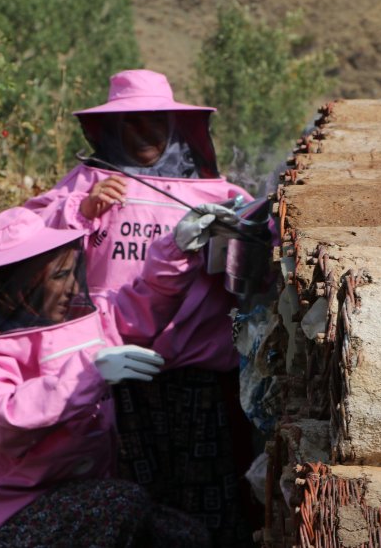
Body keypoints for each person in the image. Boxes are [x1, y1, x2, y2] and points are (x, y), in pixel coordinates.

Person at [24, 69, 258, 547]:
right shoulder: (82, 186)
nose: (145, 133)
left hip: (200, 383)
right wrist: (80, 212)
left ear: (174, 125)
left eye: (155, 121)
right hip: (110, 378)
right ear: (110, 129)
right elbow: (15, 245)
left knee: (206, 511)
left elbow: (261, 254)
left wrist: (244, 232)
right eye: (132, 123)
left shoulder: (217, 193)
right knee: (127, 509)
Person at [0, 204, 236, 547]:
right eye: (59, 277)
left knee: (184, 536)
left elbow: (133, 312)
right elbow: (0, 419)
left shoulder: (75, 318)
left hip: (75, 495)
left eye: (71, 272)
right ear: (20, 286)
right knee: (120, 503)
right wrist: (87, 375)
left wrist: (177, 249)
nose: (71, 287)